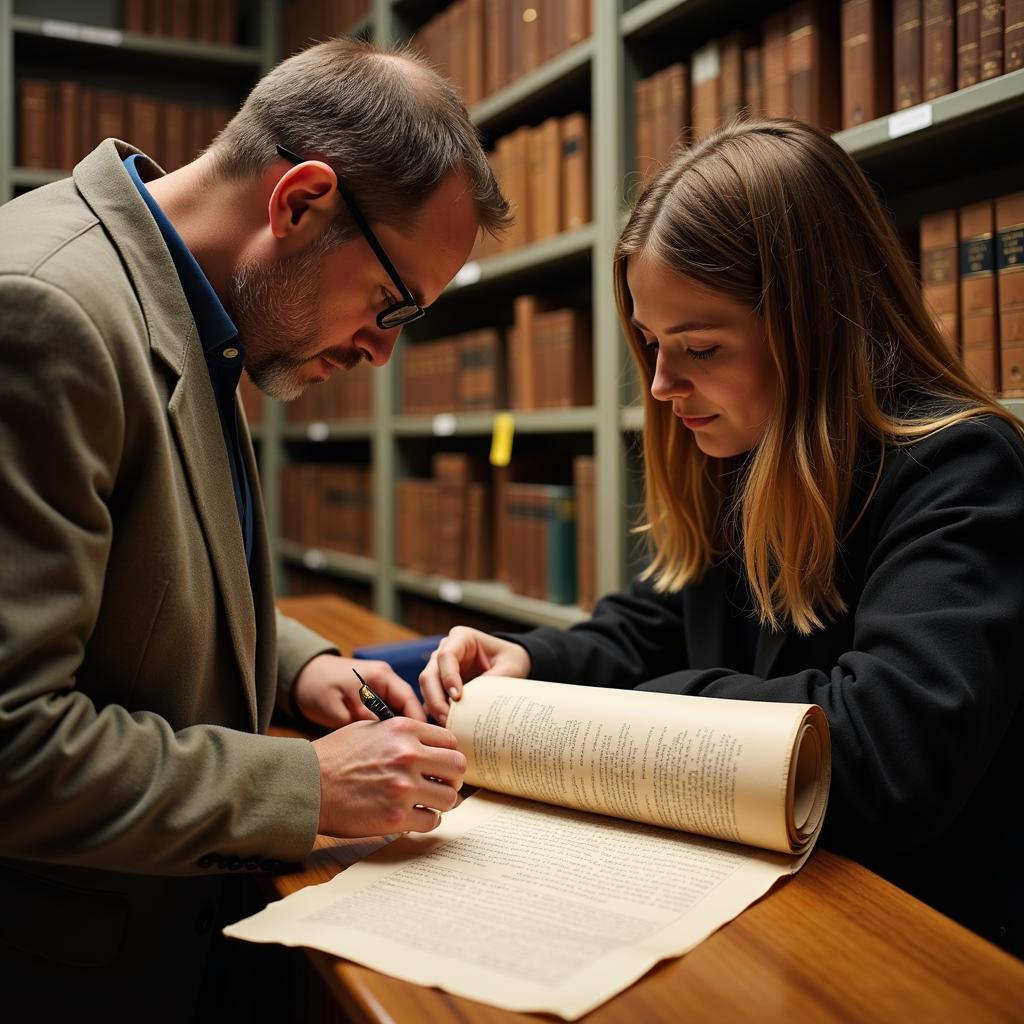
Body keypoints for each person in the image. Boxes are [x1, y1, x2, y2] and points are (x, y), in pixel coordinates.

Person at [421, 119, 1024, 958]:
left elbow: (889, 754)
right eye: (652, 344)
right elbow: (656, 616)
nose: (664, 385)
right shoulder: (746, 447)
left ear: (813, 328)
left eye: (700, 347)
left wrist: (631, 715)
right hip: (768, 897)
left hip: (905, 932)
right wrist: (534, 663)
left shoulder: (961, 467)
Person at [0, 37, 509, 1019]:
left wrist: (296, 664)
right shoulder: (44, 313)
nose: (380, 352)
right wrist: (304, 785)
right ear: (300, 201)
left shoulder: (192, 301)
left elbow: (140, 572)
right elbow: (12, 737)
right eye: (388, 303)